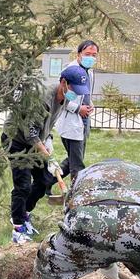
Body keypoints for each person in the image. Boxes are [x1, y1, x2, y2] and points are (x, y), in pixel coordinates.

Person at [1, 65, 89, 243]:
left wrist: (48, 141)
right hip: (16, 139)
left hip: (35, 140)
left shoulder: (63, 98)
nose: (77, 94)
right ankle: (17, 227)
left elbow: (45, 126)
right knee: (23, 185)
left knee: (43, 181)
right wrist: (48, 156)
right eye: (74, 89)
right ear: (63, 83)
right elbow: (30, 132)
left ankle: (24, 213)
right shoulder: (44, 99)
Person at [46, 40, 98, 194]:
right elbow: (61, 96)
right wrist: (78, 109)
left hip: (84, 121)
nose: (91, 57)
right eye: (87, 54)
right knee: (77, 164)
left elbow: (85, 94)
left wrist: (90, 103)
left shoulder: (90, 71)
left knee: (74, 159)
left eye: (94, 55)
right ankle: (78, 194)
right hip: (71, 122)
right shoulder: (70, 70)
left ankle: (45, 182)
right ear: (79, 54)